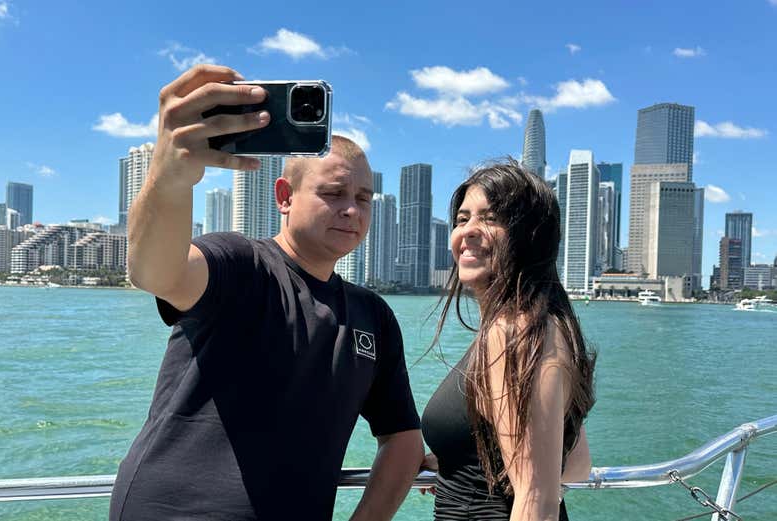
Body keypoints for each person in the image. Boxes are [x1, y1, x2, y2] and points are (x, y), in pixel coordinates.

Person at [110, 64, 424, 521]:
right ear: (284, 196)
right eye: (334, 193)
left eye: (363, 198)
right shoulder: (240, 264)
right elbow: (157, 273)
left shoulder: (372, 315)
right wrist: (171, 174)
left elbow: (402, 438)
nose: (351, 210)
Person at [420, 160, 596, 520]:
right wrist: (459, 458)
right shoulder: (546, 326)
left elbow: (537, 498)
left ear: (530, 235)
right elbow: (577, 464)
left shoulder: (514, 332)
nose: (468, 230)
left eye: (490, 218)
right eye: (462, 219)